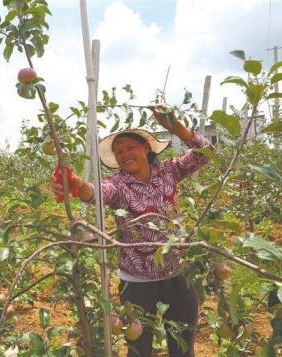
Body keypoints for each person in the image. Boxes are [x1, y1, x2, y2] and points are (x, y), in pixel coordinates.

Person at [51, 106, 214, 357]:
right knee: (139, 349)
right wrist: (75, 184)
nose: (125, 154)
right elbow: (95, 193)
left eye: (130, 147)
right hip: (138, 281)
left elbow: (206, 153)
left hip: (178, 272)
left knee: (183, 346)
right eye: (119, 152)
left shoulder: (168, 171)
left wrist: (176, 127)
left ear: (146, 149)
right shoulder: (117, 185)